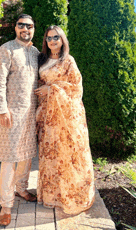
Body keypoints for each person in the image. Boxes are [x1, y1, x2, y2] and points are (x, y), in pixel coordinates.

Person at [34, 25, 95, 215]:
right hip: (48, 115)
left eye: (56, 37)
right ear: (45, 41)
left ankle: (71, 196)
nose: (52, 41)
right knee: (51, 154)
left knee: (67, 153)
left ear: (62, 40)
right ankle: (52, 195)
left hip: (66, 117)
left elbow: (76, 88)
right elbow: (38, 83)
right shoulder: (42, 60)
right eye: (49, 38)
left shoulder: (68, 61)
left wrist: (52, 89)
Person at [0, 14, 39, 226]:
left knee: (27, 155)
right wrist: (2, 109)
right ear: (15, 27)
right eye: (21, 25)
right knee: (9, 158)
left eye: (29, 26)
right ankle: (6, 204)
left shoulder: (35, 52)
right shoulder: (6, 49)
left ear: (33, 29)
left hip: (31, 115)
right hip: (11, 115)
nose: (25, 29)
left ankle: (21, 189)